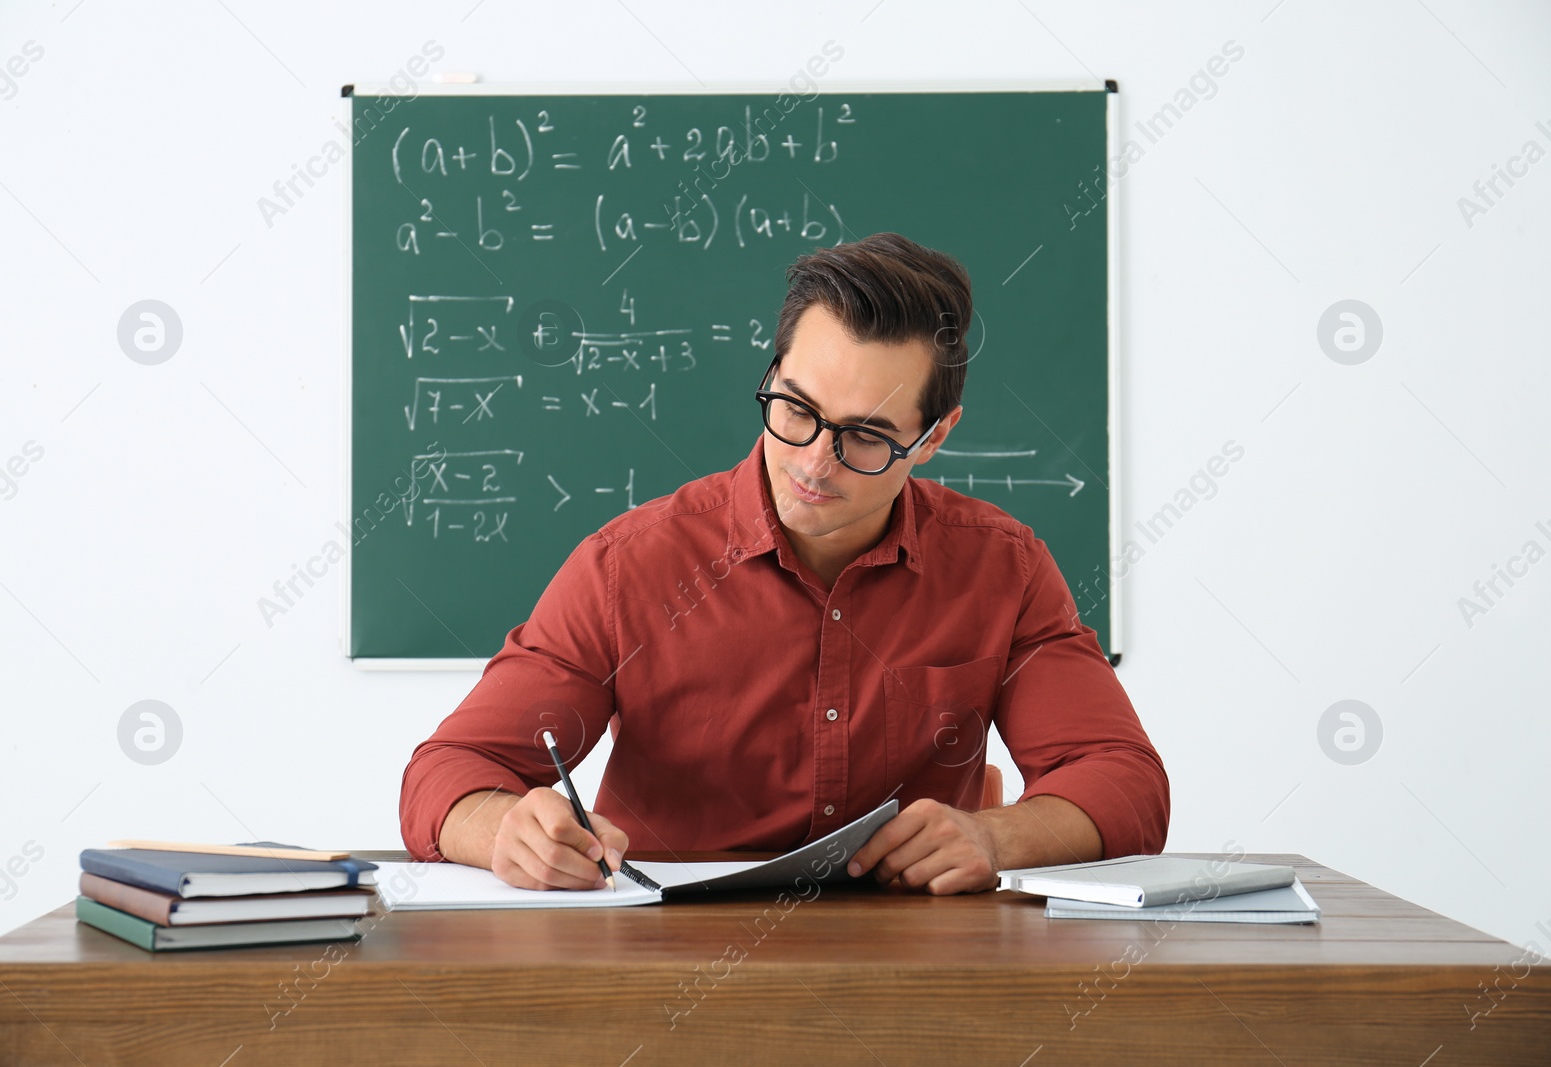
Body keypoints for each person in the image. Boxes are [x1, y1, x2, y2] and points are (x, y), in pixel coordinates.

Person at [399, 232, 1168, 895]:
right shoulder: (626, 567)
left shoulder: (1002, 566)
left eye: (866, 436)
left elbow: (1126, 783)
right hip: (659, 968)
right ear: (772, 375)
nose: (813, 461)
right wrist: (502, 827)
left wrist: (996, 839)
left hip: (913, 970)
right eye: (795, 408)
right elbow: (448, 769)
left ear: (933, 437)